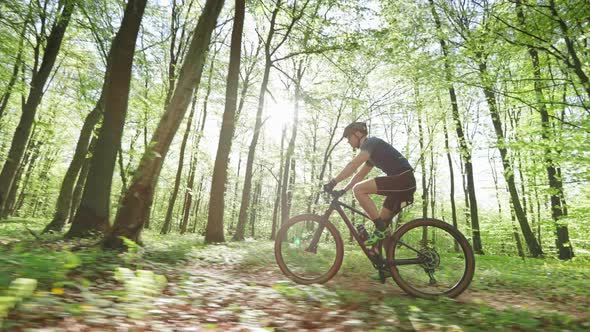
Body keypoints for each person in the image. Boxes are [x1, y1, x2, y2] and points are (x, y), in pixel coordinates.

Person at [323, 121, 416, 248]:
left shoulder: (371, 143)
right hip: (401, 185)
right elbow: (359, 176)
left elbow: (353, 165)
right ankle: (382, 260)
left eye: (348, 137)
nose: (348, 141)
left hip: (403, 179)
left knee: (359, 190)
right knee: (380, 226)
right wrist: (343, 190)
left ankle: (381, 229)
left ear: (357, 134)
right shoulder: (372, 153)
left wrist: (333, 182)